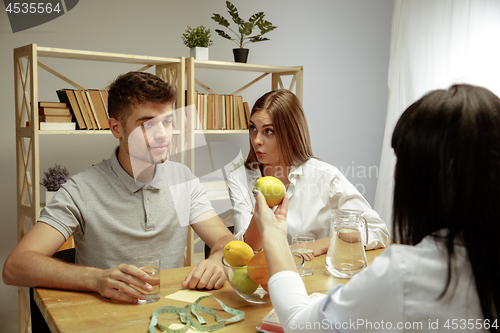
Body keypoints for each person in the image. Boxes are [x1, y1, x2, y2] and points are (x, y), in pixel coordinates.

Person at [252, 84, 500, 332]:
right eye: (253, 129)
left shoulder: (404, 274)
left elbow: (298, 324)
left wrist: (274, 234)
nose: (257, 141)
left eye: (401, 159)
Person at [2, 72, 235, 304]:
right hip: (105, 320)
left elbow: (224, 239)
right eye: (147, 123)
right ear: (116, 128)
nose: (163, 134)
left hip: (168, 315)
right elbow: (15, 266)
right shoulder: (81, 189)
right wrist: (96, 278)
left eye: (167, 122)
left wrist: (218, 259)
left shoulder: (183, 178)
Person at [227, 89, 389, 253]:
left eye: (268, 131)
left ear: (290, 134)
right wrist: (260, 220)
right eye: (253, 128)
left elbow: (377, 230)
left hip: (314, 275)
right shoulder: (239, 179)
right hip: (262, 275)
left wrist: (324, 244)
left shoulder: (324, 176)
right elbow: (246, 250)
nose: (256, 140)